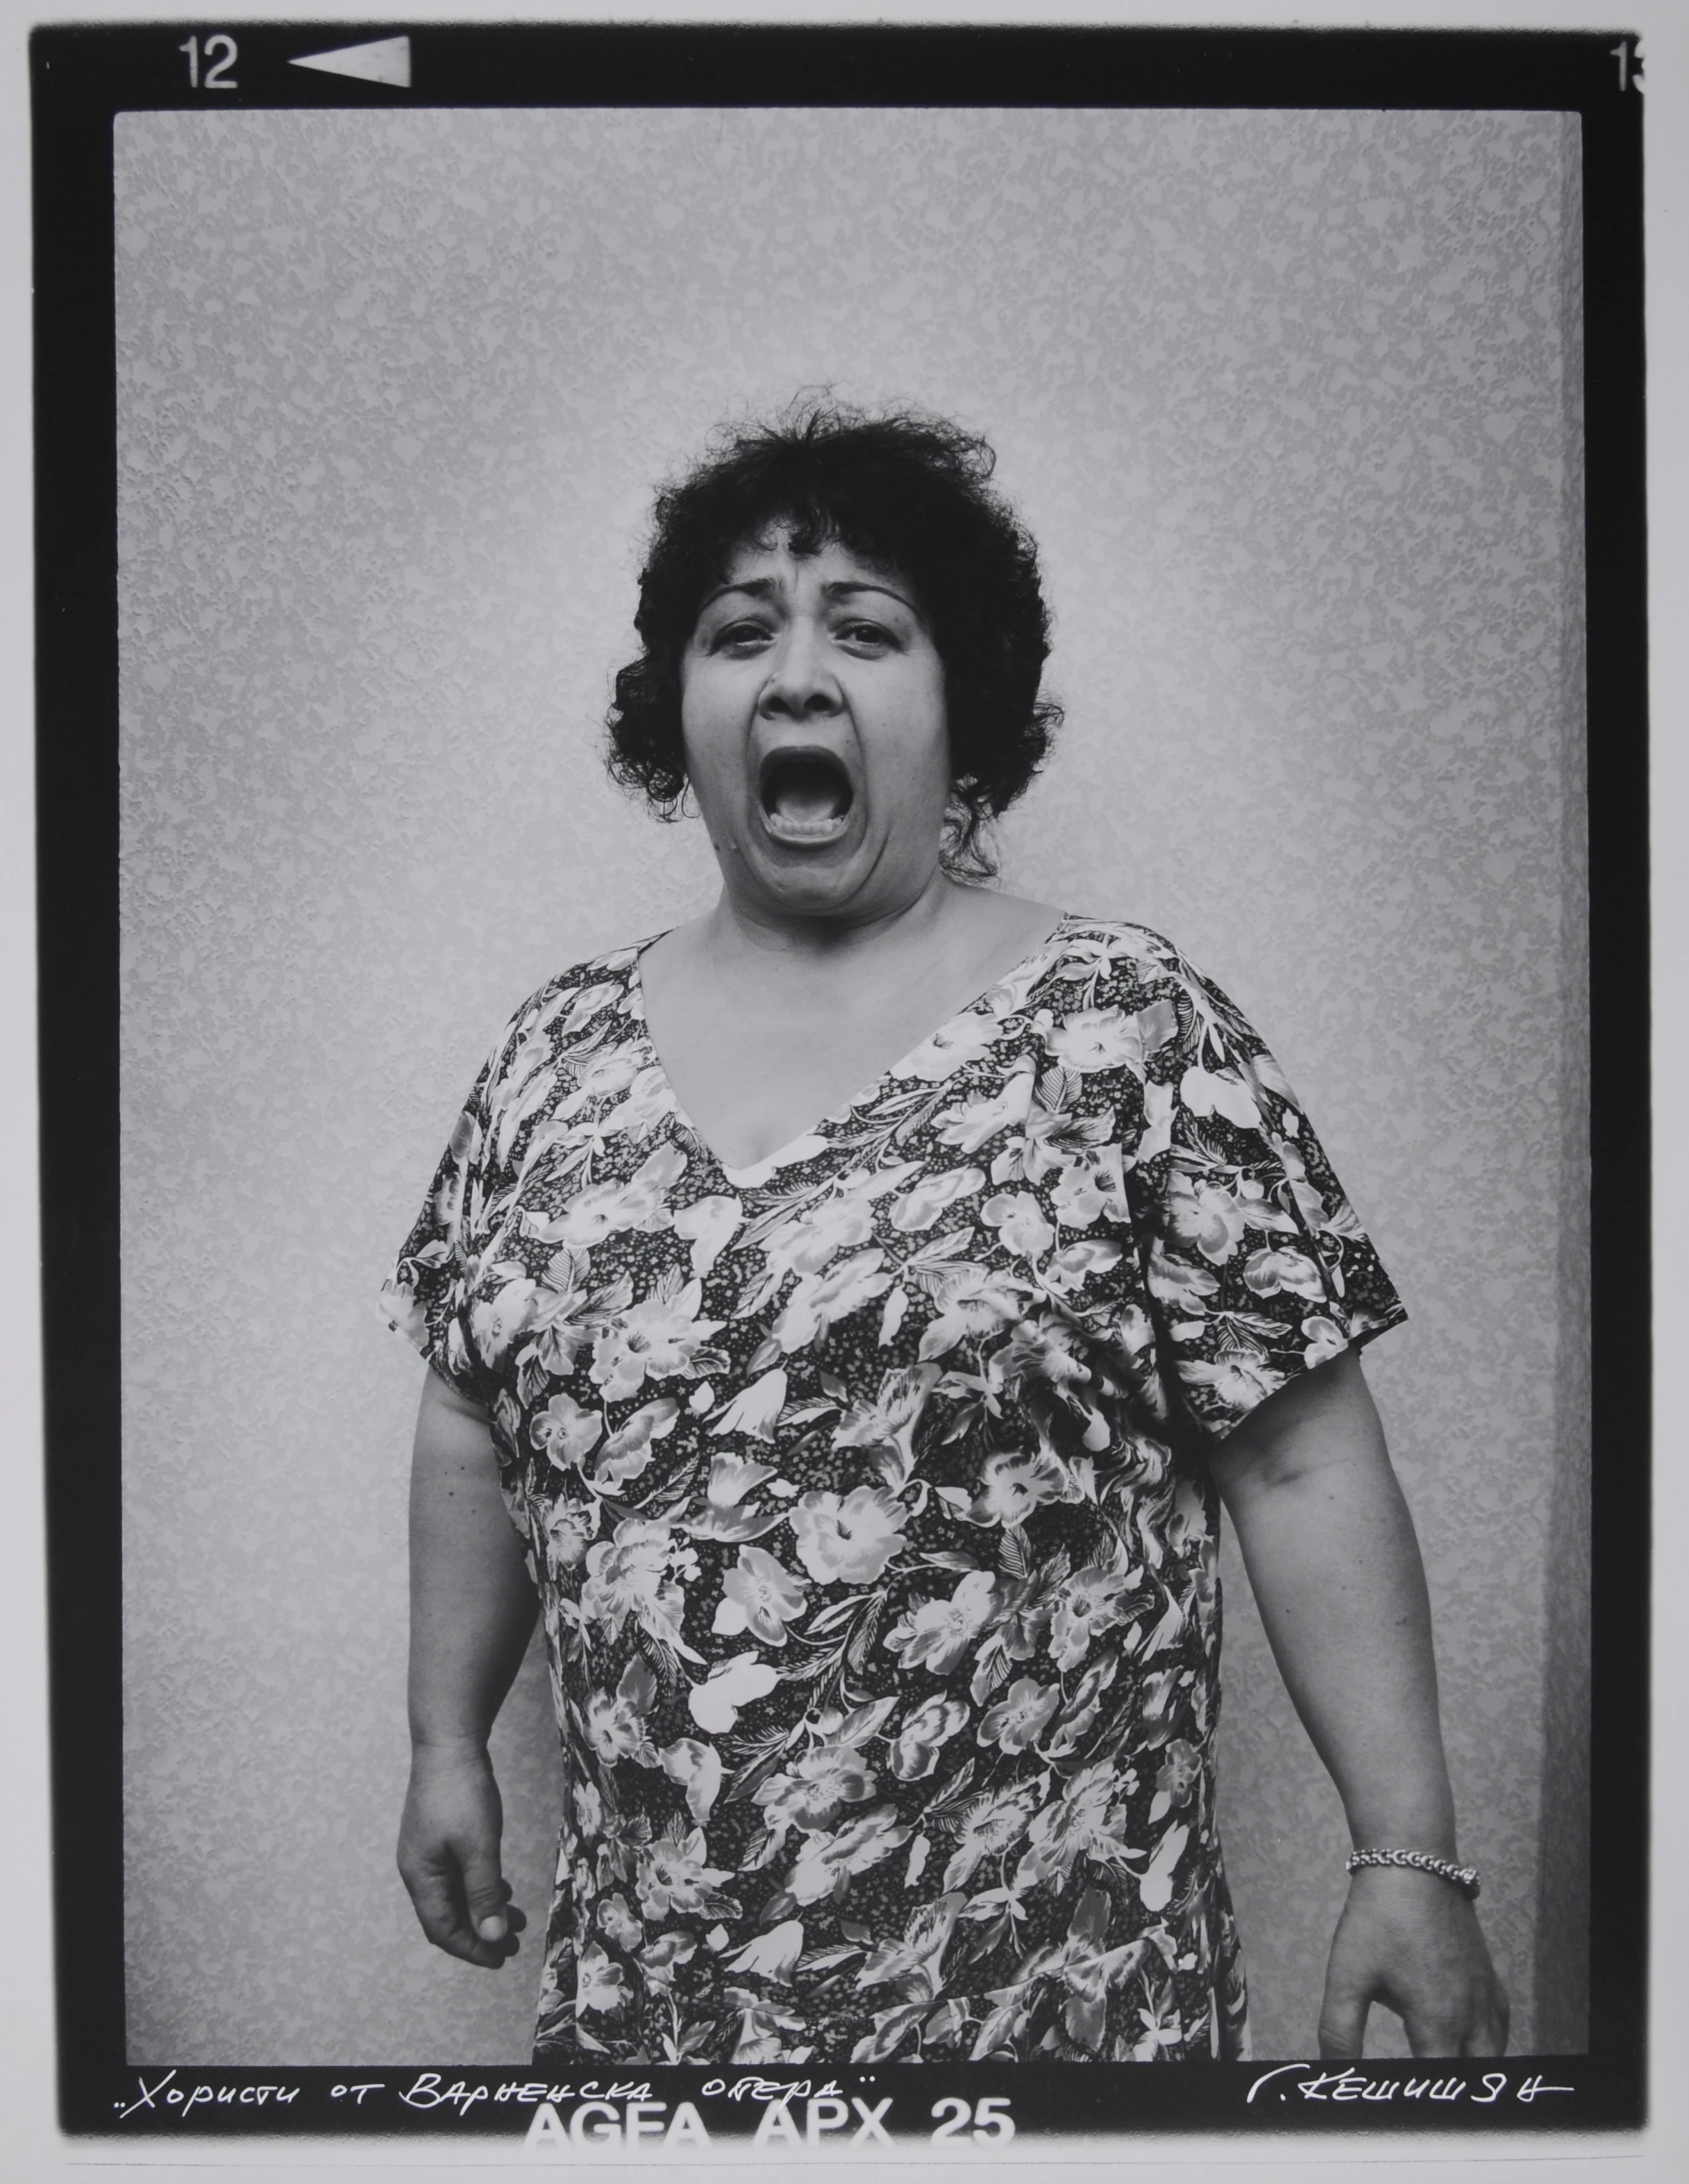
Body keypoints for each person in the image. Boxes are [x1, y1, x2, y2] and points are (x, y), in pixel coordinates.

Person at [383, 401, 1507, 2067]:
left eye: (866, 630)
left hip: (1059, 2013)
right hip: (657, 2022)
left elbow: (1299, 1464)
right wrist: (445, 1738)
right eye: (740, 633)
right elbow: (471, 1416)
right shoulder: (552, 1053)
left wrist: (1405, 1856)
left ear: (960, 700)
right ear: (678, 708)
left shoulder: (1126, 1025)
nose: (795, 677)